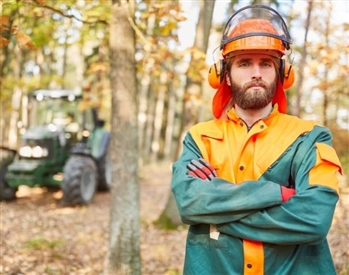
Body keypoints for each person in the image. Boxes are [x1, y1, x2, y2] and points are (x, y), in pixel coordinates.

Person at [171, 4, 342, 275]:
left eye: (266, 63)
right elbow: (190, 204)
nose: (256, 73)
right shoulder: (200, 138)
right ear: (224, 75)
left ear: (282, 74)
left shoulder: (310, 137)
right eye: (244, 63)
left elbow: (314, 219)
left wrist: (215, 216)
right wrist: (276, 193)